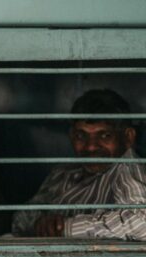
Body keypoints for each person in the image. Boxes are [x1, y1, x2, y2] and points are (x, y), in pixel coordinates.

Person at [12, 90, 146, 240]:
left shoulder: (127, 169)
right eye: (81, 136)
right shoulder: (64, 172)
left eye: (105, 136)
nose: (91, 147)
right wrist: (41, 223)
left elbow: (142, 222)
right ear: (71, 136)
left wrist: (67, 227)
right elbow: (20, 219)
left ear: (128, 137)